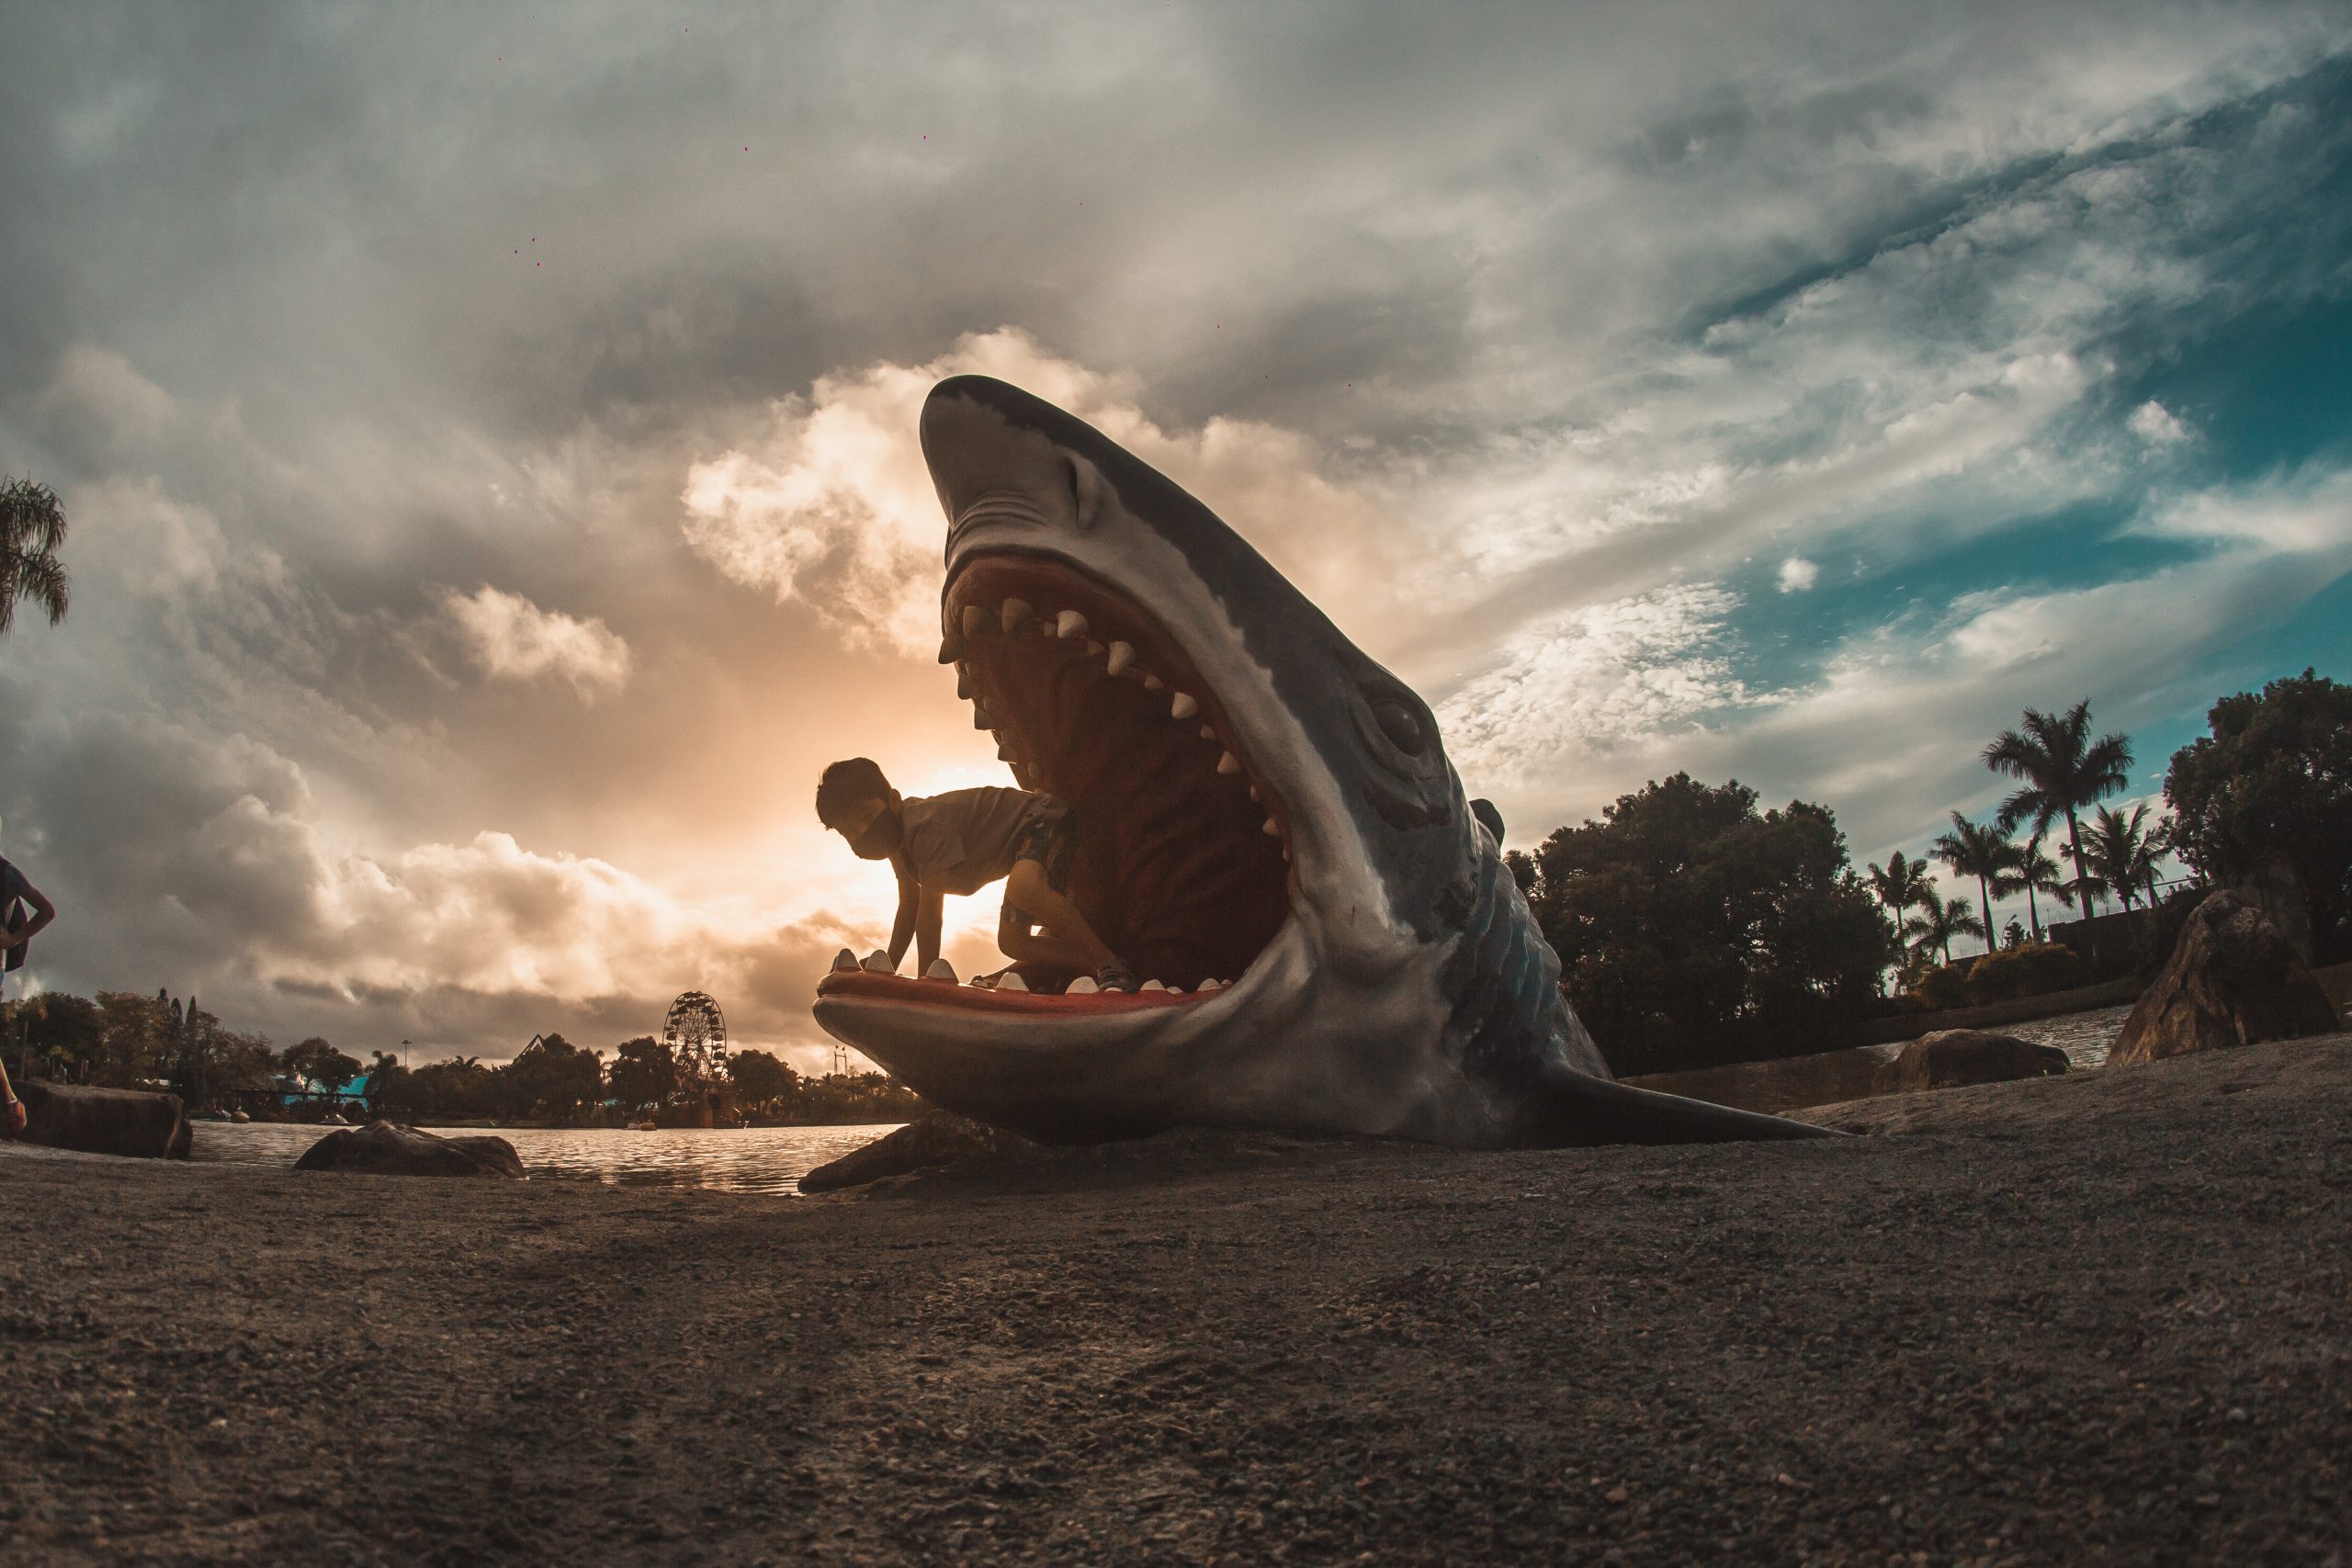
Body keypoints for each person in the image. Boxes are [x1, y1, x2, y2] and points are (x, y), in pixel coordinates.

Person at [815, 757, 1139, 993]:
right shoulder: (899, 849)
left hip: (1043, 820)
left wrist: (928, 983)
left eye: (867, 817)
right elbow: (908, 910)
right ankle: (1102, 967)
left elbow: (930, 913)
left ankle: (1107, 962)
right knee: (1012, 941)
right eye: (850, 832)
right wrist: (886, 973)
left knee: (1024, 886)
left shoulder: (923, 826)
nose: (863, 833)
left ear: (894, 801)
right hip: (1021, 847)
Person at [0, 834, 57, 1137]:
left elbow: (47, 911)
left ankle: (11, 1104)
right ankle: (11, 1102)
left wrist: (13, 939)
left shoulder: (8, 874)